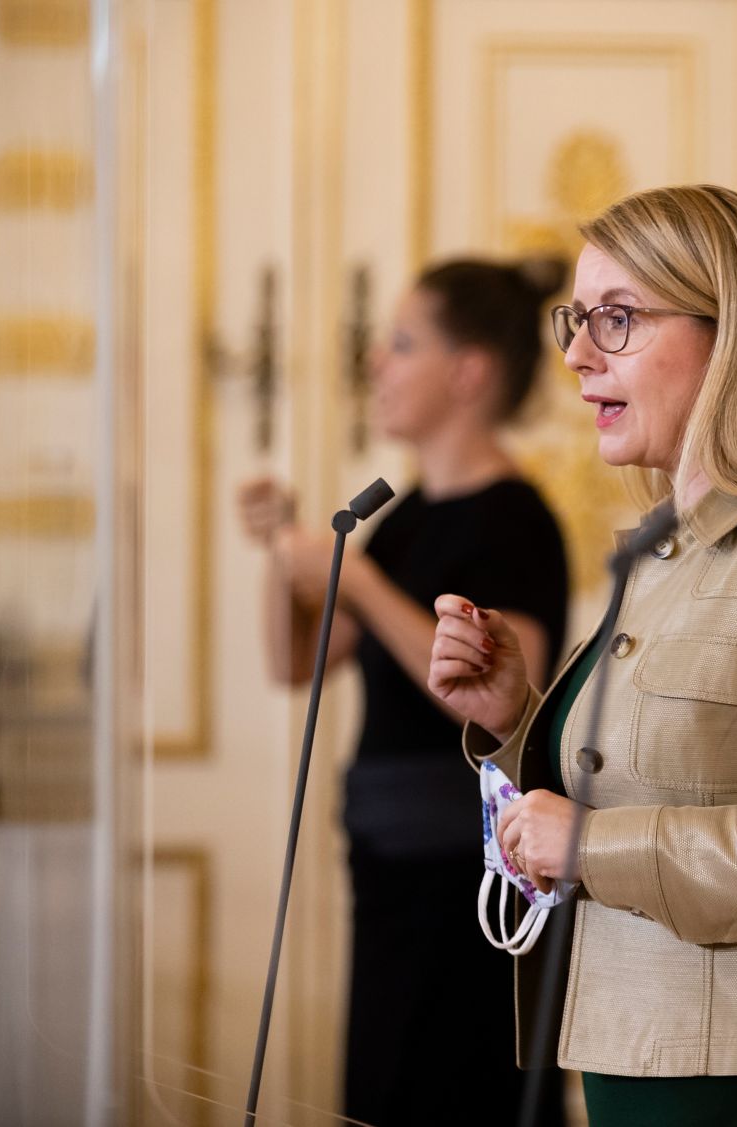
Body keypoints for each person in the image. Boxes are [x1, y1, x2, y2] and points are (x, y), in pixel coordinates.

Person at [425, 184, 737, 1127]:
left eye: (616, 319)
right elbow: (663, 774)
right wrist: (516, 715)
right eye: (576, 320)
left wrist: (591, 846)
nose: (576, 356)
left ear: (731, 334)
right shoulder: (659, 544)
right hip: (626, 1057)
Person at [238, 258, 571, 1126]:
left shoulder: (516, 518)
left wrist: (356, 580)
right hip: (385, 866)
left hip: (466, 879)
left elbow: (506, 691)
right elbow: (295, 663)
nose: (377, 365)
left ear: (468, 373)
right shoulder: (406, 517)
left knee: (459, 1092)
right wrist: (287, 557)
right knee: (384, 1091)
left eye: (401, 343)